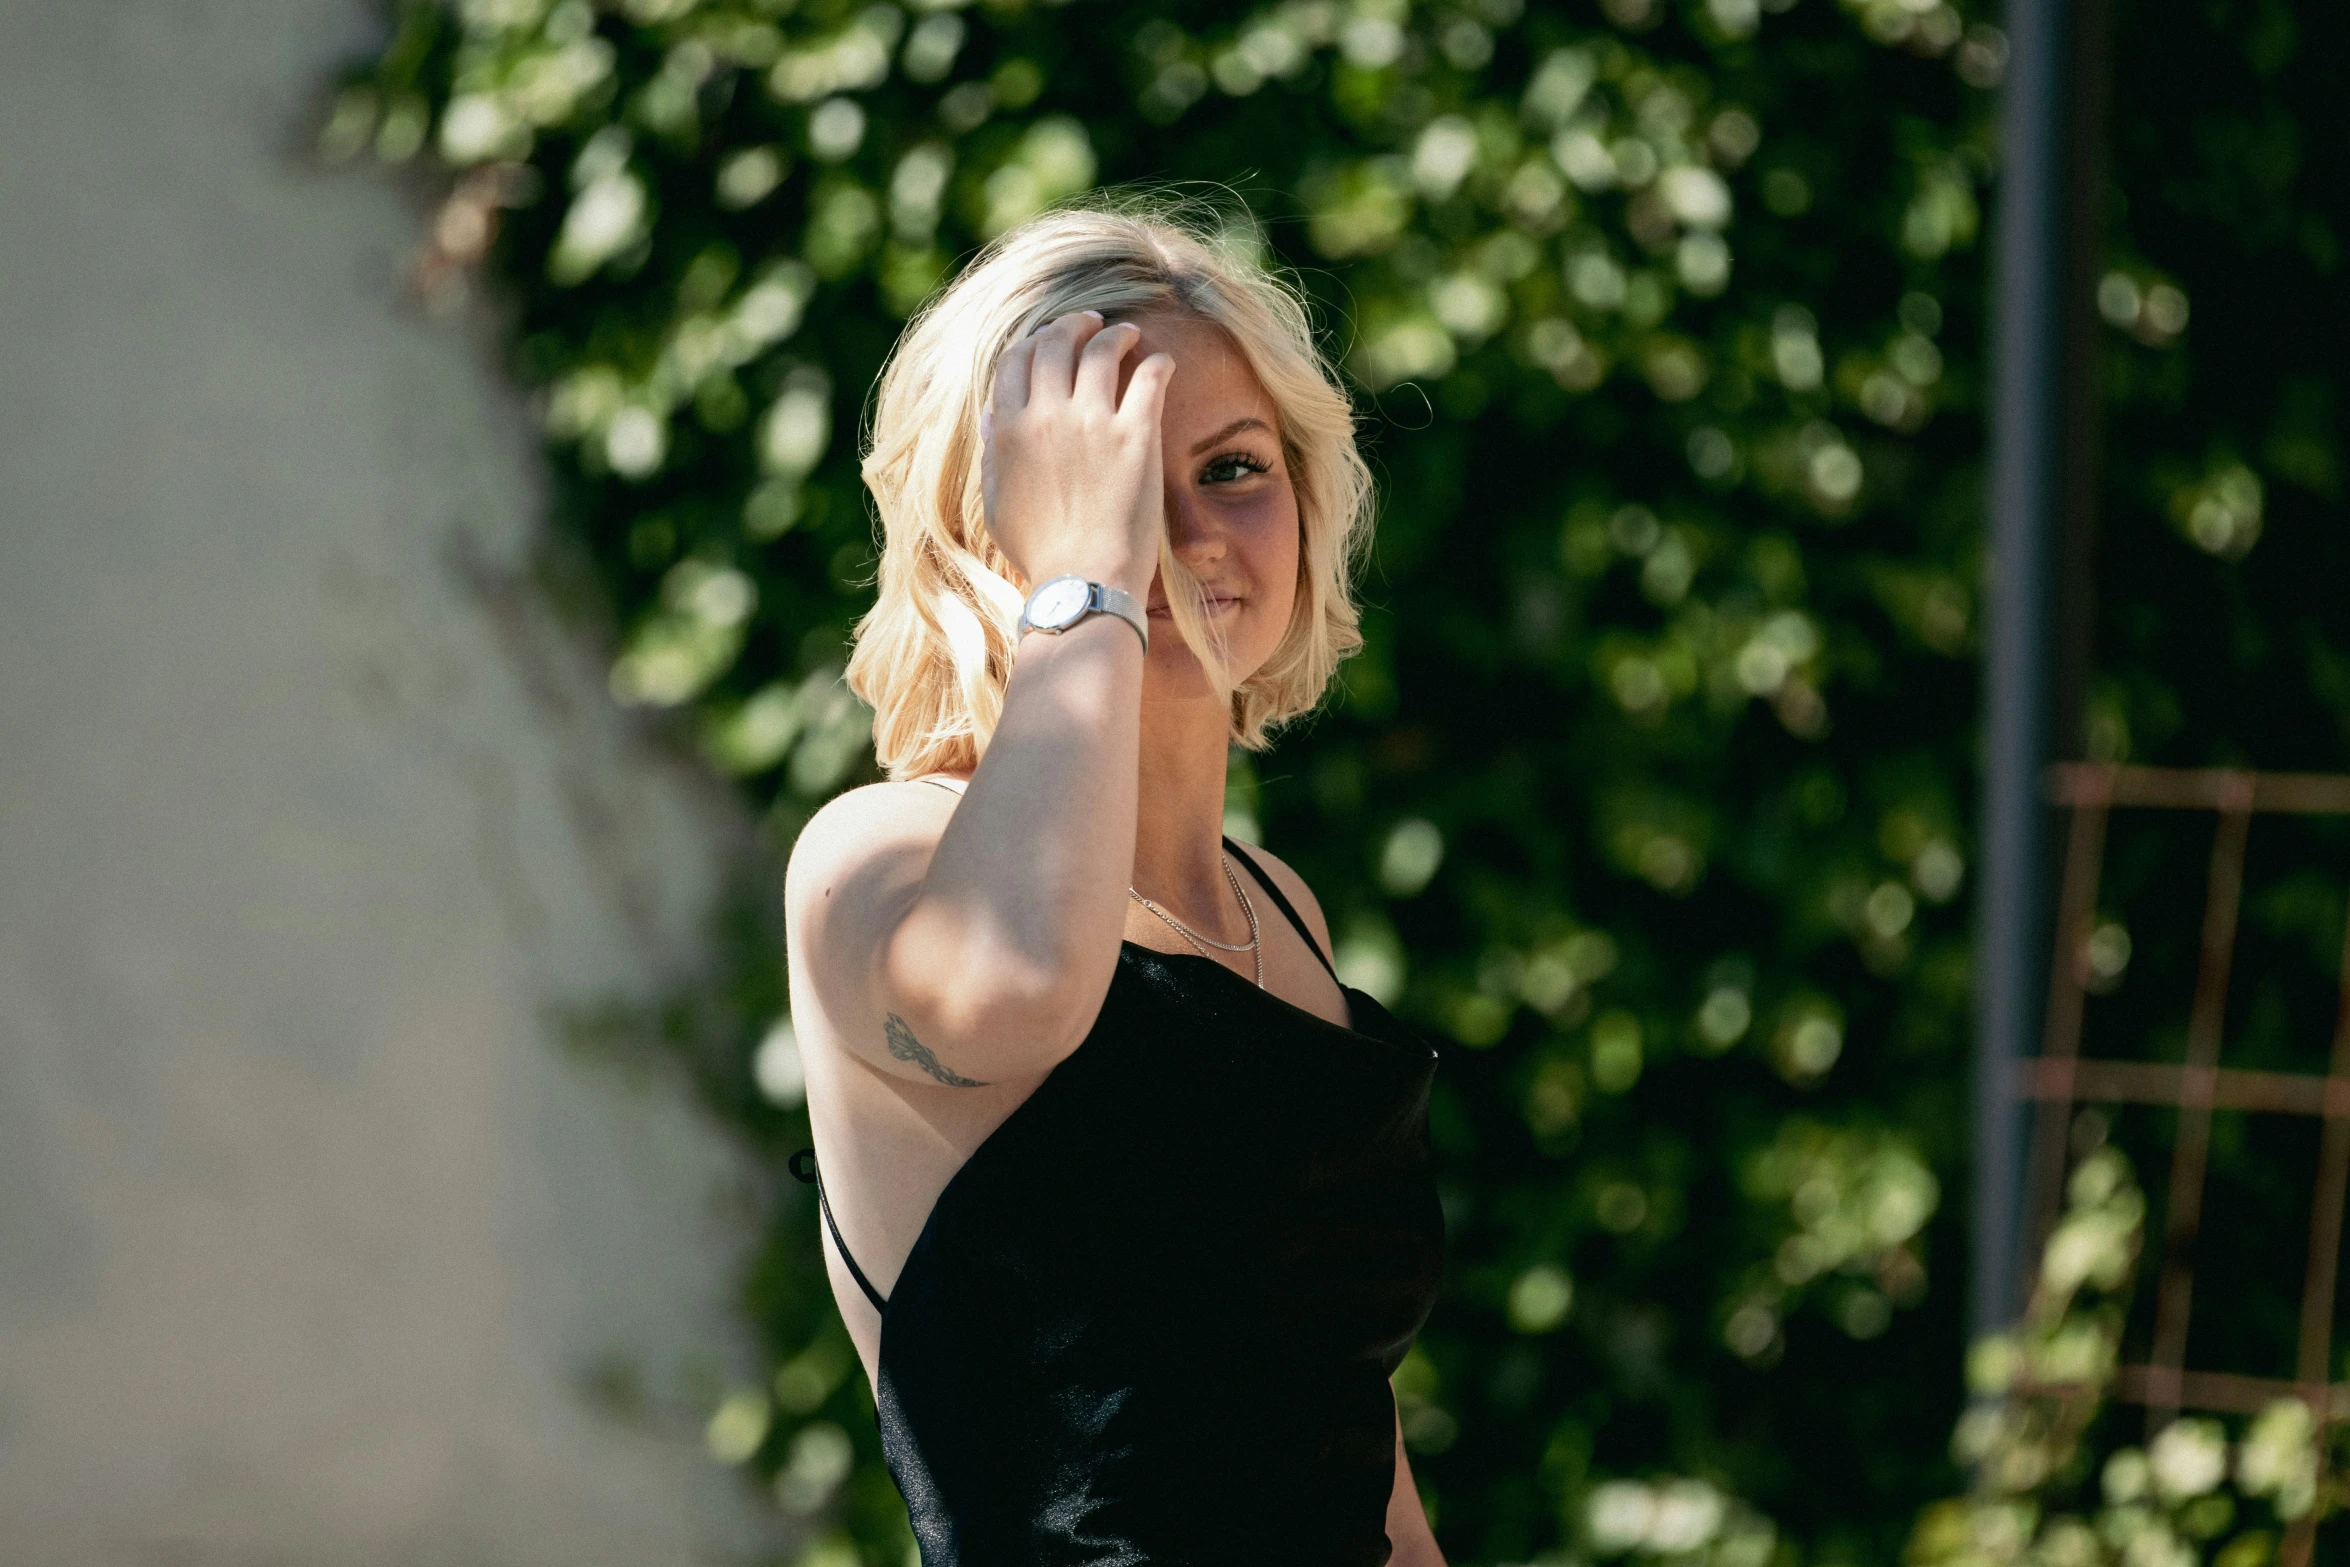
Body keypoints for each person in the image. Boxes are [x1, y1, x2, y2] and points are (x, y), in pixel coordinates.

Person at [784, 201, 1446, 1566]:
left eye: (1234, 468)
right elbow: (1022, 987)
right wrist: (1078, 577)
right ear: (989, 518)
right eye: (1118, 477)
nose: (1185, 533)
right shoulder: (875, 857)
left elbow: (1352, 1455)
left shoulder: (1281, 915)